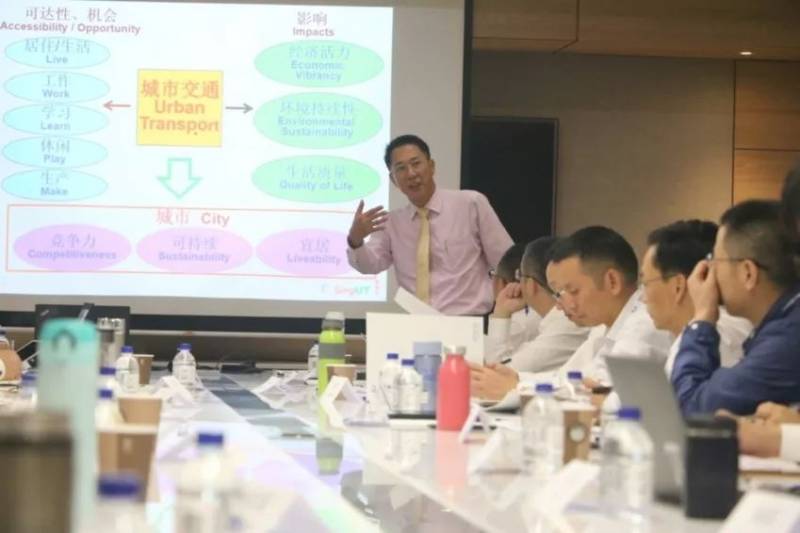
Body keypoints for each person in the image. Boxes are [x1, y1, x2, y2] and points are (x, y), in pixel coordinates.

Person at [346, 134, 513, 315]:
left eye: (416, 164)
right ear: (393, 180)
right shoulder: (390, 223)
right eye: (401, 168)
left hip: (469, 320)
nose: (411, 174)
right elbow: (370, 265)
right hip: (417, 324)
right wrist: (355, 240)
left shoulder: (471, 204)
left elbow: (506, 261)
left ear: (431, 166)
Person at [672, 200, 800, 416]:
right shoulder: (786, 322)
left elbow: (693, 408)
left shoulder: (787, 340)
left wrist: (702, 317)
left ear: (748, 272)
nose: (710, 271)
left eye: (715, 260)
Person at [544, 226, 673, 386]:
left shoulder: (644, 324)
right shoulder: (603, 326)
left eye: (572, 291)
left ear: (612, 281)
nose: (560, 305)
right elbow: (568, 378)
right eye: (558, 293)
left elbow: (603, 392)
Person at [471, 237, 591, 400]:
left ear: (530, 284)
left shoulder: (569, 324)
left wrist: (501, 314)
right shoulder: (550, 320)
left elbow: (500, 374)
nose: (562, 301)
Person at [640, 220, 752, 377]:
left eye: (646, 283)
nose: (643, 298)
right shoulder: (735, 327)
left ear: (678, 286)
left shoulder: (705, 340)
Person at [485, 243, 541, 364]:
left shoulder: (517, 323)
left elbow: (496, 365)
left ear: (500, 282)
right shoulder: (542, 316)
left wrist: (500, 312)